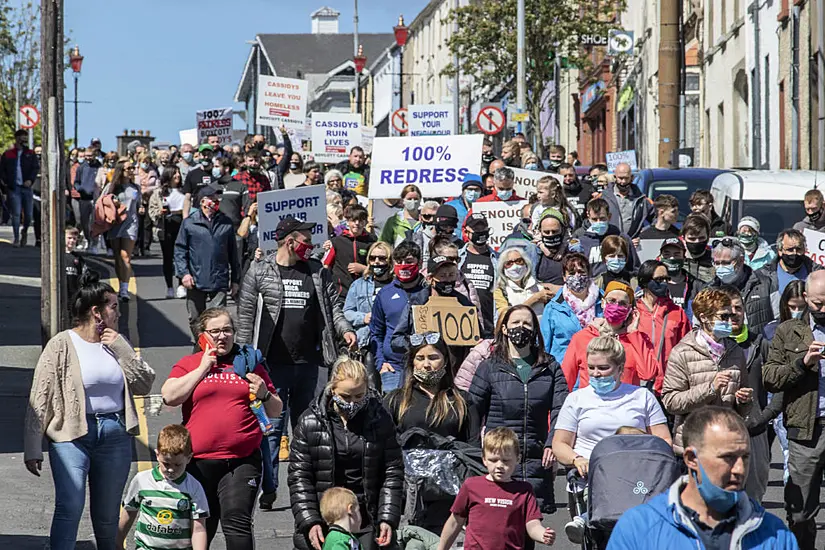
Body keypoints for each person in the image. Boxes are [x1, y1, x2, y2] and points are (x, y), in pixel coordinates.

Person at [24, 271, 155, 550]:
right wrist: (32, 446)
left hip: (115, 435)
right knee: (70, 506)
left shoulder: (117, 344)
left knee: (107, 518)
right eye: (114, 307)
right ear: (97, 312)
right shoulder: (61, 344)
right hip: (71, 436)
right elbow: (40, 397)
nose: (118, 312)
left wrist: (121, 346)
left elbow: (144, 384)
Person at [236, 216, 356, 507]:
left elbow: (333, 309)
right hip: (271, 365)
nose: (311, 246)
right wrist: (242, 360)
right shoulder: (260, 271)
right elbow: (245, 317)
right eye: (306, 240)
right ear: (290, 241)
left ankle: (306, 488)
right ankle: (270, 485)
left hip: (309, 363)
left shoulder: (317, 271)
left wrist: (346, 329)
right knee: (273, 429)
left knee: (308, 428)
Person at [161, 307, 282, 549]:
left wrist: (265, 393)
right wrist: (203, 368)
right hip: (197, 462)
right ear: (202, 335)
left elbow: (276, 410)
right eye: (215, 331)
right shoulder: (190, 363)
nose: (222, 336)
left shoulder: (249, 362)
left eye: (227, 330)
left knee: (237, 522)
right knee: (199, 527)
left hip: (241, 462)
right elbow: (170, 396)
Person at [607, 407, 798, 550]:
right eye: (728, 458)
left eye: (745, 457)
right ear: (691, 459)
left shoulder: (774, 534)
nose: (740, 469)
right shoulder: (638, 528)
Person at [552, 335, 670, 543]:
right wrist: (577, 459)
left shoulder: (642, 397)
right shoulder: (577, 399)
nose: (596, 374)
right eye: (592, 367)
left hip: (636, 480)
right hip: (591, 480)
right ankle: (584, 520)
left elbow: (663, 442)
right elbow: (560, 444)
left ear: (620, 368)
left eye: (603, 368)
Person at [289, 357, 403, 550]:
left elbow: (392, 471)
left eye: (359, 396)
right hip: (326, 516)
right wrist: (309, 520)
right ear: (332, 390)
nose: (353, 403)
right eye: (346, 397)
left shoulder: (380, 419)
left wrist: (387, 518)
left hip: (366, 516)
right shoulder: (309, 421)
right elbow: (300, 476)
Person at [468, 305, 569, 513]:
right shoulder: (489, 367)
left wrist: (553, 443)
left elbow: (562, 408)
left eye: (527, 324)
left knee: (529, 525)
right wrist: (476, 452)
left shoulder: (550, 367)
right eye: (515, 323)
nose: (521, 328)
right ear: (504, 329)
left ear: (534, 330)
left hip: (536, 457)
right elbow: (473, 410)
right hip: (499, 459)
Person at [384, 332, 480, 531]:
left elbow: (473, 449)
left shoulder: (462, 401)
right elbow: (385, 449)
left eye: (433, 357)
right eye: (420, 358)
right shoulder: (395, 400)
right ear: (412, 363)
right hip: (407, 497)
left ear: (445, 361)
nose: (426, 364)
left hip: (450, 498)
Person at [762, 269, 825, 549]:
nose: (823, 309)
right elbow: (771, 378)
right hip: (806, 428)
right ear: (806, 298)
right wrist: (803, 364)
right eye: (818, 304)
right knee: (799, 509)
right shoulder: (789, 331)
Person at [662, 288, 753, 456]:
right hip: (694, 443)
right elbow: (671, 401)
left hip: (726, 441)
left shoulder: (735, 351)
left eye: (731, 316)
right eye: (723, 317)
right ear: (703, 317)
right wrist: (710, 389)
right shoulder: (683, 352)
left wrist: (744, 401)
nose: (729, 321)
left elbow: (742, 408)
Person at [438, 427, 557, 550]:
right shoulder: (471, 486)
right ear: (484, 459)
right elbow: (455, 522)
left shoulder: (524, 490)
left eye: (506, 461)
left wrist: (542, 534)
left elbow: (532, 524)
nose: (499, 466)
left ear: (518, 459)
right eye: (493, 460)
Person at [718, 285, 774, 502]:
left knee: (753, 495)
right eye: (727, 309)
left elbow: (779, 386)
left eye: (738, 308)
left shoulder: (761, 345)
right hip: (720, 429)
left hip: (754, 429)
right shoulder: (706, 347)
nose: (733, 314)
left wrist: (764, 416)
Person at [117, 424, 209, 550]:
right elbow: (128, 512)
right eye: (166, 463)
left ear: (188, 458)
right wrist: (118, 542)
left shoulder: (193, 487)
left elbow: (199, 529)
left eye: (177, 464)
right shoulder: (142, 480)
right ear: (157, 455)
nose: (171, 469)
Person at [561, 280, 663, 392]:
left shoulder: (638, 340)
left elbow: (648, 374)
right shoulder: (582, 338)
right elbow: (566, 380)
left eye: (623, 303)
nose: (616, 306)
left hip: (625, 404)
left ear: (629, 310)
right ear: (603, 303)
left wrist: (634, 333)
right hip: (590, 405)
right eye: (612, 301)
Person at [174, 186, 239, 339]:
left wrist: (235, 280)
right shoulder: (190, 223)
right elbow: (180, 251)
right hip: (195, 279)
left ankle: (215, 349)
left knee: (217, 320)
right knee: (195, 318)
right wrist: (184, 274)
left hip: (219, 278)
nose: (217, 201)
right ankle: (200, 344)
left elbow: (233, 255)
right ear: (203, 202)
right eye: (213, 198)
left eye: (218, 198)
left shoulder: (226, 223)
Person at [390, 255, 476, 363]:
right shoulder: (416, 304)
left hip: (456, 369)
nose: (448, 280)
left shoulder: (465, 304)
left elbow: (478, 337)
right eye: (443, 276)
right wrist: (417, 342)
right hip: (424, 366)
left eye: (451, 275)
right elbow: (396, 341)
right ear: (430, 279)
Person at [370, 241, 427, 392]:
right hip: (393, 367)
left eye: (408, 262)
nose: (403, 266)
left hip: (424, 366)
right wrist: (381, 362)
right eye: (399, 262)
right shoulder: (384, 294)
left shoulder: (430, 292)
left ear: (419, 263)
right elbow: (376, 332)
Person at [344, 241, 394, 388]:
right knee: (370, 387)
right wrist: (363, 317)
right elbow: (347, 312)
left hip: (391, 344)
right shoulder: (359, 284)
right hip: (367, 342)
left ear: (390, 260)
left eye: (381, 258)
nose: (376, 262)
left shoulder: (397, 284)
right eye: (372, 258)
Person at [540, 253, 604, 365]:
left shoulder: (605, 302)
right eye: (572, 273)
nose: (577, 276)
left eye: (581, 272)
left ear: (589, 274)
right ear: (564, 277)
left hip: (600, 368)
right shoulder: (553, 307)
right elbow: (544, 345)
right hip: (565, 371)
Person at [707, 237, 774, 335]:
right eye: (717, 263)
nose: (720, 267)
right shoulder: (709, 290)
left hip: (758, 346)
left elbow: (778, 321)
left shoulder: (766, 284)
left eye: (726, 263)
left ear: (741, 260)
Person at [635, 260, 691, 367]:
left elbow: (686, 348)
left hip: (668, 378)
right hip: (638, 377)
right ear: (645, 281)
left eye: (667, 279)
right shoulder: (632, 311)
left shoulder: (677, 312)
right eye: (659, 279)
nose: (664, 283)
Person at [572, 197, 641, 275]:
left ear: (609, 216)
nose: (599, 222)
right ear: (588, 216)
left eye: (602, 219)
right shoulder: (580, 237)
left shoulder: (621, 238)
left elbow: (635, 267)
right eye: (594, 219)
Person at [105, 159, 142, 301]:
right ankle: (121, 283)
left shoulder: (135, 188)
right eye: (129, 168)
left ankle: (125, 289)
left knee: (126, 256)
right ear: (122, 170)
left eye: (133, 167)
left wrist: (141, 208)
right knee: (117, 257)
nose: (132, 170)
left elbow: (138, 204)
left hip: (130, 224)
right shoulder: (112, 186)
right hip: (115, 223)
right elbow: (102, 201)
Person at [148, 166, 187, 299]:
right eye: (174, 173)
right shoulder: (159, 192)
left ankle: (181, 285)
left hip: (182, 225)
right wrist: (159, 213)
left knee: (182, 256)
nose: (177, 175)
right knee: (168, 258)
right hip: (165, 227)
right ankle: (170, 287)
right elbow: (152, 210)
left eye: (178, 173)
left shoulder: (184, 191)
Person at [323, 203, 377, 298]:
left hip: (365, 293)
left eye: (361, 220)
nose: (357, 223)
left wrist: (364, 269)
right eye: (353, 220)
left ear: (365, 222)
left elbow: (380, 267)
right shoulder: (337, 242)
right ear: (347, 221)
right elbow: (326, 266)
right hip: (342, 293)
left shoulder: (371, 242)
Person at [459, 213, 498, 337]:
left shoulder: (498, 258)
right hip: (463, 325)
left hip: (489, 327)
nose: (480, 233)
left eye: (483, 229)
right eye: (476, 230)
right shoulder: (458, 257)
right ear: (466, 232)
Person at [763, 229, 822, 310]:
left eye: (798, 249)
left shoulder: (817, 274)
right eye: (790, 250)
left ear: (805, 249)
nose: (795, 253)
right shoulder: (764, 275)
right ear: (780, 251)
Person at [1, 128, 38, 247]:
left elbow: (35, 168)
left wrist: (30, 180)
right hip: (14, 187)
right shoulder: (8, 154)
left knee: (28, 215)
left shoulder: (30, 154)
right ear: (17, 139)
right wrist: (6, 184)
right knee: (16, 213)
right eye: (21, 138)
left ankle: (25, 231)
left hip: (26, 187)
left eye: (25, 138)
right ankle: (16, 238)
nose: (24, 141)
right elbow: (2, 170)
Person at [600, 162, 654, 240]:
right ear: (615, 177)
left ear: (632, 178)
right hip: (610, 244)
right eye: (620, 178)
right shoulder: (603, 197)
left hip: (633, 245)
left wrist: (644, 233)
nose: (623, 182)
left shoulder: (641, 200)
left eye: (626, 178)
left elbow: (656, 218)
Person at [494, 246, 550, 320]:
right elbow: (506, 316)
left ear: (526, 263)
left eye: (519, 261)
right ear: (503, 268)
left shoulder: (539, 286)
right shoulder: (500, 291)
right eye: (509, 263)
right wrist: (534, 299)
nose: (515, 266)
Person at [659, 237, 702, 311]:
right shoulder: (652, 284)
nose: (672, 258)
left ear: (684, 257)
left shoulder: (695, 285)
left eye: (676, 255)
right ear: (660, 257)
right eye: (667, 254)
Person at [72, 148, 101, 252]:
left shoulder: (99, 167)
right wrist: (80, 189)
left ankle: (94, 243)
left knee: (94, 222)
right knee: (84, 222)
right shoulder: (81, 167)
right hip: (84, 198)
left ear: (95, 155)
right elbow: (76, 182)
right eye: (86, 155)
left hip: (95, 198)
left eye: (90, 155)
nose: (88, 158)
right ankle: (88, 240)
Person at [532, 207, 569, 288]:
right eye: (546, 232)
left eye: (555, 231)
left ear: (562, 230)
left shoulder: (572, 249)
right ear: (540, 231)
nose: (551, 235)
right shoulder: (533, 251)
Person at [444, 172, 483, 237]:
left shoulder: (485, 206)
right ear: (463, 190)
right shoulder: (450, 207)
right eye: (470, 189)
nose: (473, 192)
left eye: (476, 190)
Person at [181, 144, 216, 217]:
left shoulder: (217, 174)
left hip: (214, 212)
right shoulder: (192, 174)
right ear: (199, 155)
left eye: (209, 154)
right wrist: (185, 217)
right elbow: (187, 198)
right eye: (203, 154)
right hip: (197, 211)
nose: (206, 157)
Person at [681, 213, 716, 284]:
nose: (697, 242)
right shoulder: (677, 259)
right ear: (683, 238)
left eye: (701, 238)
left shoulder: (716, 260)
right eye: (692, 239)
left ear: (708, 237)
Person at [64, 226, 87, 317]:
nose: (72, 241)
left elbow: (83, 275)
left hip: (74, 293)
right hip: (63, 292)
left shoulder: (78, 258)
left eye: (74, 239)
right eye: (69, 238)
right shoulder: (59, 256)